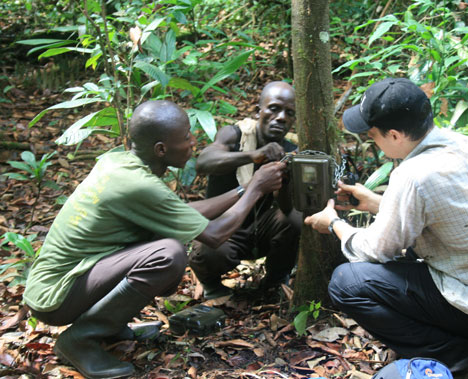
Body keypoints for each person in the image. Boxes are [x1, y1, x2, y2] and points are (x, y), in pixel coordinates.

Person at [22, 100, 286, 379]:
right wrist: (256, 189)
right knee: (169, 254)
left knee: (165, 244)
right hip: (55, 296)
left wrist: (244, 187)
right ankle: (80, 340)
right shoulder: (139, 184)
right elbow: (214, 235)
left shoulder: (120, 162)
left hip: (68, 280)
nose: (193, 142)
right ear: (161, 149)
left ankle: (108, 327)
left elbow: (181, 214)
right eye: (185, 137)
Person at [304, 78, 468, 377]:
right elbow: (452, 216)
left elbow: (375, 251)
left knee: (347, 283)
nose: (374, 143)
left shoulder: (413, 175)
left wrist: (334, 224)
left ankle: (462, 362)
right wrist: (375, 202)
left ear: (394, 135)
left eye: (373, 135)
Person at [189, 81, 301, 299]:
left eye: (289, 113)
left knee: (294, 221)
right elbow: (204, 162)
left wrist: (286, 181)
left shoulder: (290, 151)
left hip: (262, 231)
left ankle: (275, 281)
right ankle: (211, 284)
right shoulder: (235, 136)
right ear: (259, 111)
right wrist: (253, 155)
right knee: (208, 252)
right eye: (274, 108)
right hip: (224, 231)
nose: (281, 117)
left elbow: (288, 211)